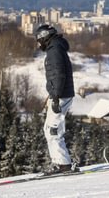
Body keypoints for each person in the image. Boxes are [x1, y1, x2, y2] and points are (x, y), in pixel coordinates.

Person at [35, 24, 77, 175]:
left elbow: (58, 74)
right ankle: (60, 162)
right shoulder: (56, 48)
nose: (38, 43)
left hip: (60, 96)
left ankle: (62, 164)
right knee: (50, 129)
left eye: (38, 39)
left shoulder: (54, 51)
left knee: (53, 130)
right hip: (61, 94)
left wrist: (55, 97)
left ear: (44, 37)